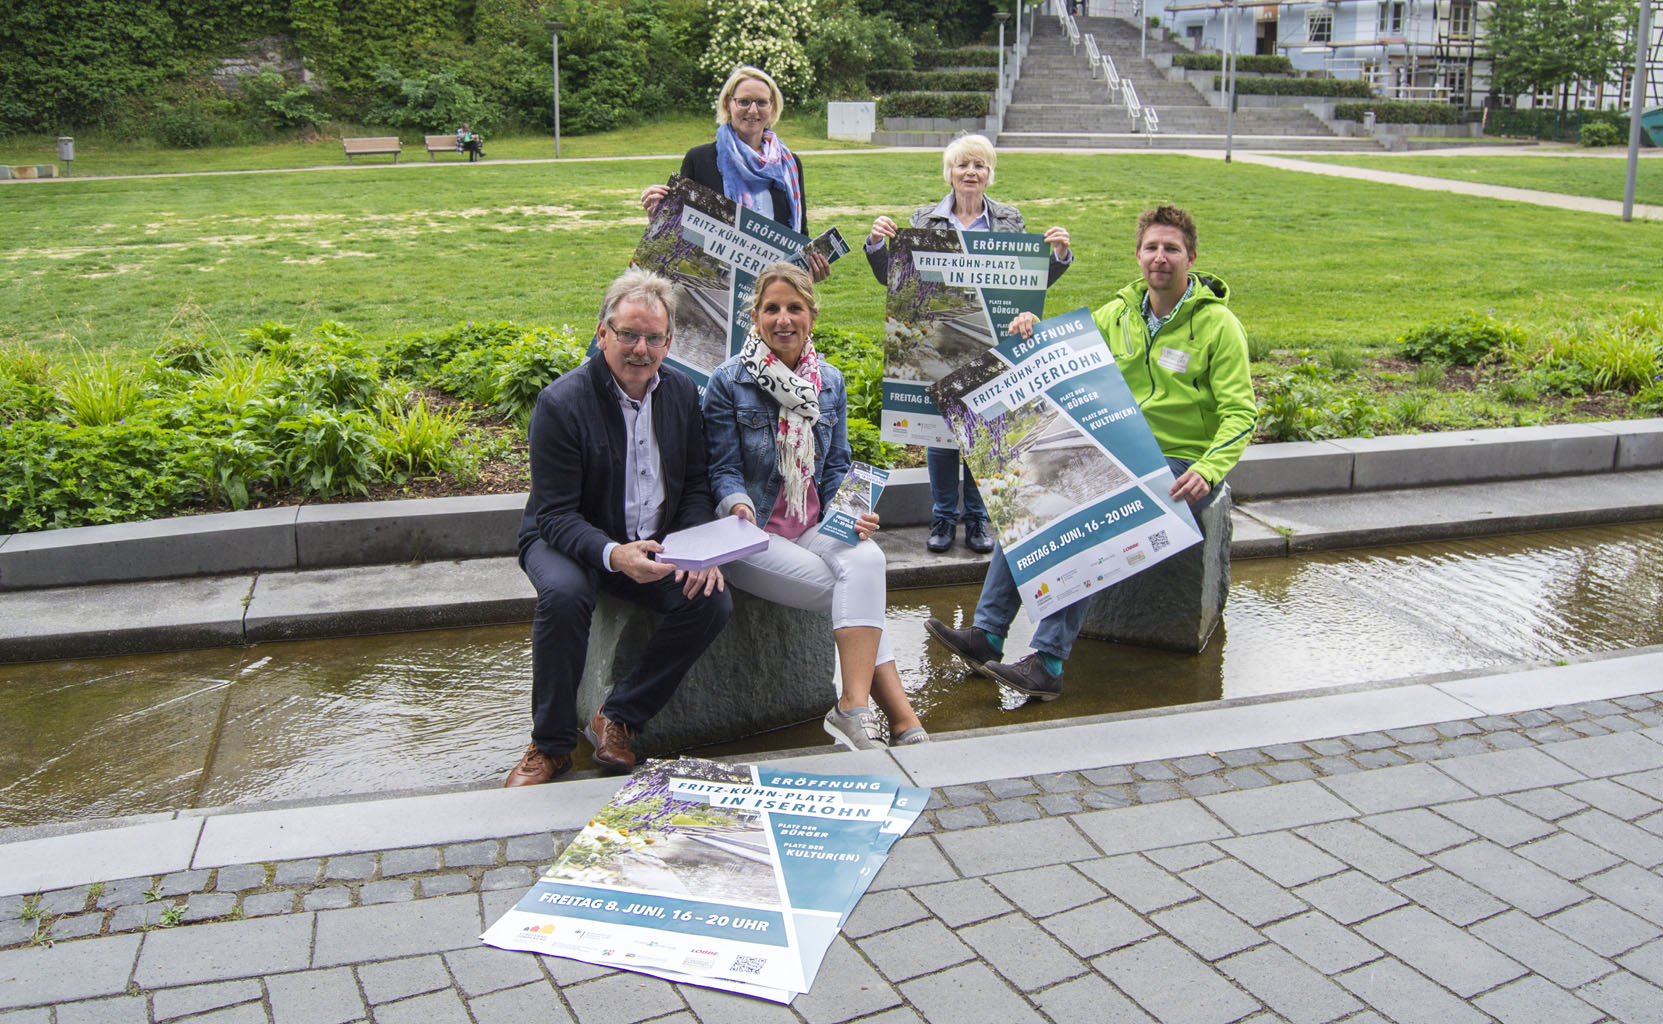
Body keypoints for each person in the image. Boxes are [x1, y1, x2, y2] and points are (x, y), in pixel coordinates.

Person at [924, 205, 1255, 700]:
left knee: (1085, 501)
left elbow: (1241, 413)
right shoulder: (1120, 312)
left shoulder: (1218, 325)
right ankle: (987, 634)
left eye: (1171, 249)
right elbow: (1067, 352)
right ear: (1137, 255)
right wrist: (1033, 327)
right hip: (1118, 445)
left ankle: (1049, 660)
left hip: (1182, 462)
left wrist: (1209, 469)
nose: (1160, 257)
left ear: (1191, 257)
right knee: (1026, 488)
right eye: (1151, 247)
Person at [506, 268, 733, 785]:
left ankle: (619, 716)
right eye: (628, 334)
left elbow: (695, 487)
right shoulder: (561, 403)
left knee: (711, 600)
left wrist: (697, 549)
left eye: (653, 338)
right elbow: (555, 514)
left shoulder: (681, 394)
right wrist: (613, 554)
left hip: (653, 541)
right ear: (602, 333)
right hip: (566, 538)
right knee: (565, 597)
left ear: (670, 343)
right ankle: (551, 746)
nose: (640, 349)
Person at [703, 262, 927, 750]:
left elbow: (836, 466)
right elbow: (722, 470)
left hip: (810, 526)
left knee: (867, 559)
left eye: (794, 308)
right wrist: (737, 505)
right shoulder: (729, 381)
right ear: (755, 317)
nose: (783, 319)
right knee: (857, 591)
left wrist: (853, 511)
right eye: (771, 309)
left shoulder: (829, 381)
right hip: (752, 535)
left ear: (812, 315)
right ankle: (900, 717)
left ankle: (852, 706)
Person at [864, 133, 1074, 556]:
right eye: (963, 165)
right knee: (941, 431)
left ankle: (978, 517)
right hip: (939, 336)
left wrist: (1058, 256)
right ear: (950, 172)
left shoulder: (1010, 220)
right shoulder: (924, 219)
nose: (971, 172)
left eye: (980, 165)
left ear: (989, 174)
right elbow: (897, 280)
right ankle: (943, 516)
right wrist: (877, 245)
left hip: (991, 337)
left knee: (986, 427)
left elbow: (1025, 284)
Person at [640, 66, 829, 282]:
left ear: (772, 107)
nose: (753, 110)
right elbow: (682, 232)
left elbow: (799, 234)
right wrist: (659, 216)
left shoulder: (789, 165)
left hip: (775, 289)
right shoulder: (699, 160)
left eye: (762, 102)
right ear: (728, 104)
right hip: (715, 285)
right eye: (744, 102)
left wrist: (810, 269)